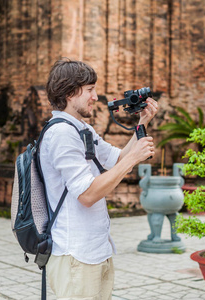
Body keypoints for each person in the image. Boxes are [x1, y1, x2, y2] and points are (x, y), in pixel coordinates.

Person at [40, 58, 158, 300]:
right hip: (76, 255)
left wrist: (142, 124)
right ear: (70, 93)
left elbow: (116, 159)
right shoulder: (61, 133)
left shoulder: (81, 128)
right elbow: (87, 195)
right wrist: (133, 159)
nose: (96, 97)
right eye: (90, 90)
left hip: (95, 250)